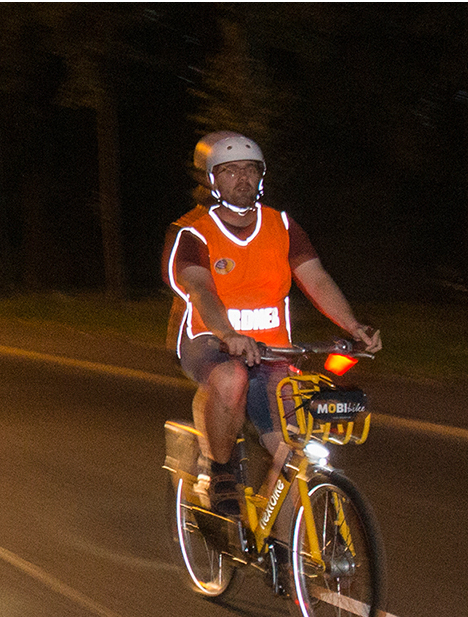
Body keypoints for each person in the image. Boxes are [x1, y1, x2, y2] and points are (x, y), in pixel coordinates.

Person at [162, 131, 382, 520]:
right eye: (230, 171)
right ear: (212, 179)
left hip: (273, 350)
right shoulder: (193, 232)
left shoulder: (281, 225)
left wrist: (353, 327)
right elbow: (200, 288)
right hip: (209, 340)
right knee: (231, 378)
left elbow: (316, 279)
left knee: (293, 448)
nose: (243, 178)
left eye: (251, 169)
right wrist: (228, 334)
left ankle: (283, 545)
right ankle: (221, 472)